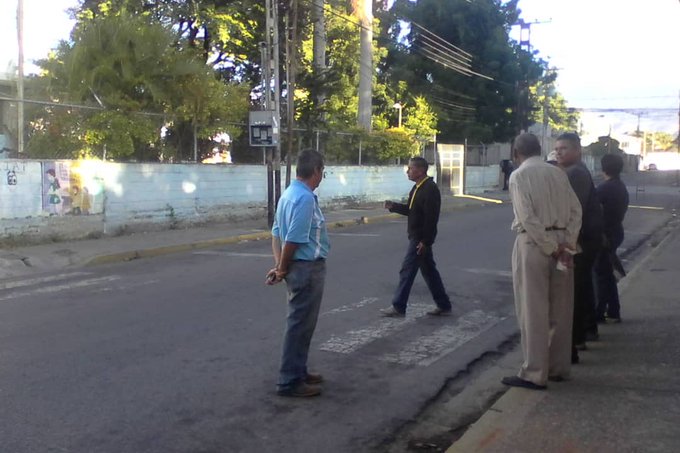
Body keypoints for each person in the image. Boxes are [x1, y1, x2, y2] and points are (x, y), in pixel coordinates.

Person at [502, 133, 582, 390]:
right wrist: (566, 244)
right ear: (540, 149)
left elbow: (526, 217)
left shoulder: (518, 176)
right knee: (561, 308)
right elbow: (575, 211)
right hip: (562, 242)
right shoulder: (558, 173)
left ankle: (535, 372)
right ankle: (559, 367)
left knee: (533, 310)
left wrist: (550, 247)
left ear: (516, 153)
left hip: (534, 245)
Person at [266, 149, 330, 398]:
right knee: (299, 325)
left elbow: (276, 233)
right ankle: (290, 381)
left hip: (296, 267)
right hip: (306, 268)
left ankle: (298, 371)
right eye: (322, 172)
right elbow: (291, 238)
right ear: (316, 171)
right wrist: (281, 267)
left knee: (303, 324)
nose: (322, 176)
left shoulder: (289, 194)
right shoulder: (303, 198)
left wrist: (280, 266)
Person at [380, 157, 452, 317]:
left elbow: (431, 218)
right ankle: (444, 304)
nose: (408, 171)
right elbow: (412, 211)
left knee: (407, 270)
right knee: (429, 272)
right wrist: (394, 206)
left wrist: (425, 241)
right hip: (417, 237)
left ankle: (398, 306)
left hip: (419, 239)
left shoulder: (430, 189)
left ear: (420, 171)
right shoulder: (417, 188)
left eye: (410, 168)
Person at [555, 132, 604, 363]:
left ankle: (575, 339)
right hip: (586, 236)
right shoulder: (574, 171)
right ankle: (587, 330)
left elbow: (573, 210)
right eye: (557, 148)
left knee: (574, 290)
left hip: (582, 238)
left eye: (564, 148)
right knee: (582, 286)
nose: (559, 151)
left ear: (577, 150)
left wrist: (567, 242)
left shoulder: (576, 173)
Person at [594, 153, 629, 323]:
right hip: (616, 232)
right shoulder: (620, 186)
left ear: (603, 168)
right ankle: (613, 310)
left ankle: (599, 312)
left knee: (601, 276)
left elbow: (594, 212)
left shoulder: (603, 188)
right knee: (607, 274)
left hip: (605, 235)